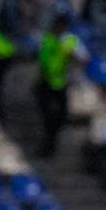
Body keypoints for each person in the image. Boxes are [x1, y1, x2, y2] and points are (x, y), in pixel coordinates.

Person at [33, 10, 88, 157]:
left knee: (60, 115)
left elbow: (84, 59)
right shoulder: (47, 39)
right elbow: (41, 60)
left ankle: (52, 142)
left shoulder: (70, 40)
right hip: (46, 81)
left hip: (62, 82)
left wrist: (72, 55)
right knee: (47, 116)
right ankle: (48, 145)